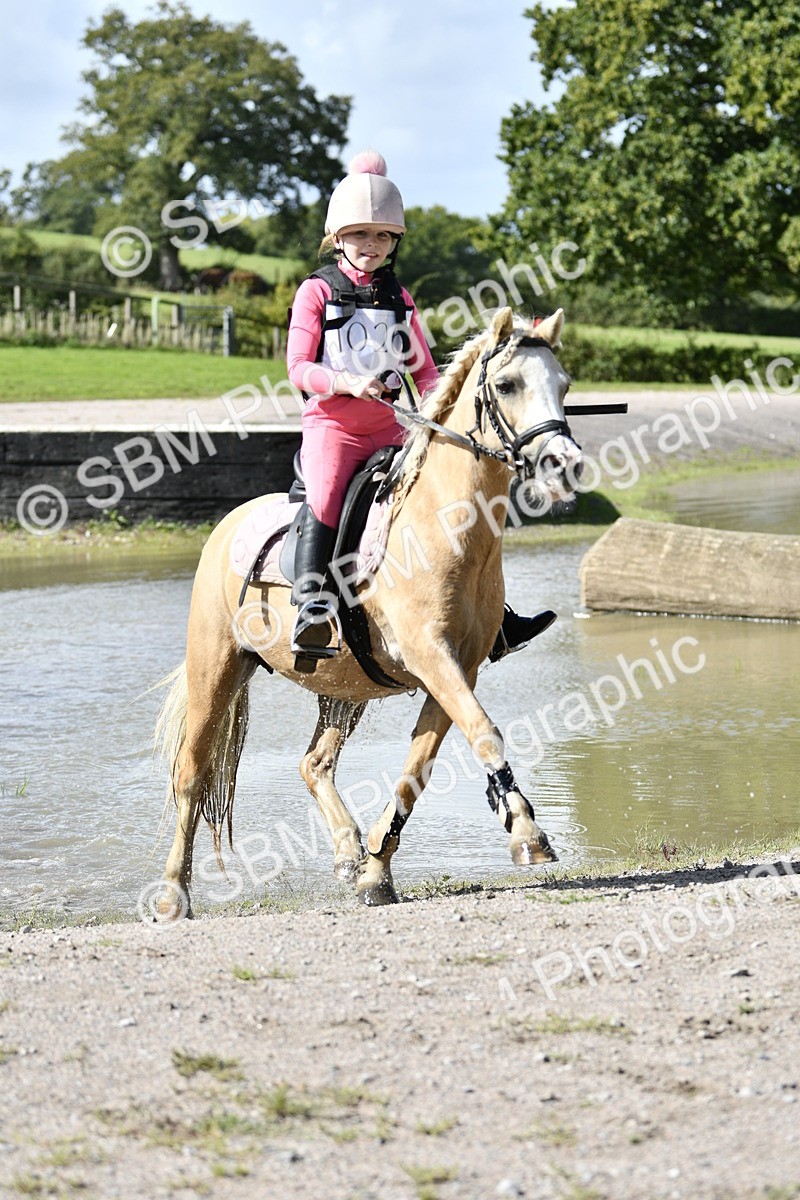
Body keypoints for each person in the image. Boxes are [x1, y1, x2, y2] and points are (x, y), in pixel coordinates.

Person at [285, 150, 555, 661]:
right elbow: (298, 368)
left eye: (384, 236)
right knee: (324, 498)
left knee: (451, 500)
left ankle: (494, 617)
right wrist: (348, 382)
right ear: (337, 237)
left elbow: (426, 373)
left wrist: (451, 412)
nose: (372, 245)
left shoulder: (399, 298)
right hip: (333, 428)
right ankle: (311, 609)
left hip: (393, 428)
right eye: (362, 234)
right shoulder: (315, 291)